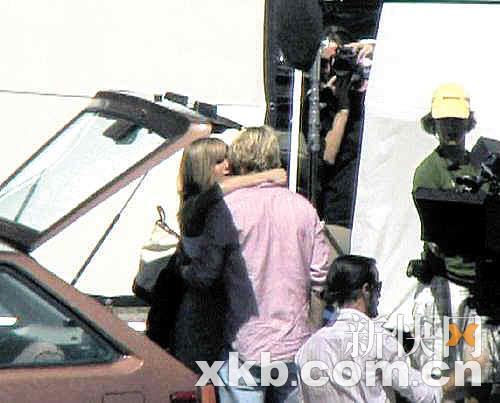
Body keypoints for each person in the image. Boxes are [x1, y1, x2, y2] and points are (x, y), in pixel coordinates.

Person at [180, 126, 331, 402]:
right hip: (294, 344)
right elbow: (321, 278)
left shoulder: (228, 210)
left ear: (239, 158)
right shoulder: (304, 208)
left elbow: (205, 275)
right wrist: (314, 328)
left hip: (245, 344)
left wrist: (184, 270)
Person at [146, 137, 287, 374]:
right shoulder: (196, 204)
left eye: (228, 159)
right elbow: (215, 192)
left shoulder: (208, 203)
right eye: (219, 161)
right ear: (202, 167)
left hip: (213, 306)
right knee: (201, 375)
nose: (228, 166)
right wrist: (264, 176)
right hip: (200, 309)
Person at [411, 83, 495, 401]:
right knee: (444, 363)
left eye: (457, 121)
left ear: (467, 123)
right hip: (447, 285)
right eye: (445, 121)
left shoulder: (481, 165)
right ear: (433, 124)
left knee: (477, 366)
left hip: (478, 285)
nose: (451, 128)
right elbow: (433, 233)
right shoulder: (428, 172)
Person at [295, 255, 445, 402]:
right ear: (366, 289)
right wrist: (454, 379)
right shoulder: (379, 341)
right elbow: (425, 395)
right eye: (378, 287)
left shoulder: (306, 350)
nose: (379, 295)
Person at [314, 26, 375, 231]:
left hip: (370, 204)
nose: (331, 69)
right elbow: (327, 157)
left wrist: (372, 48)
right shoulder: (316, 106)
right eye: (324, 63)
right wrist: (342, 107)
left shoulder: (367, 100)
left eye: (339, 60)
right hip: (339, 208)